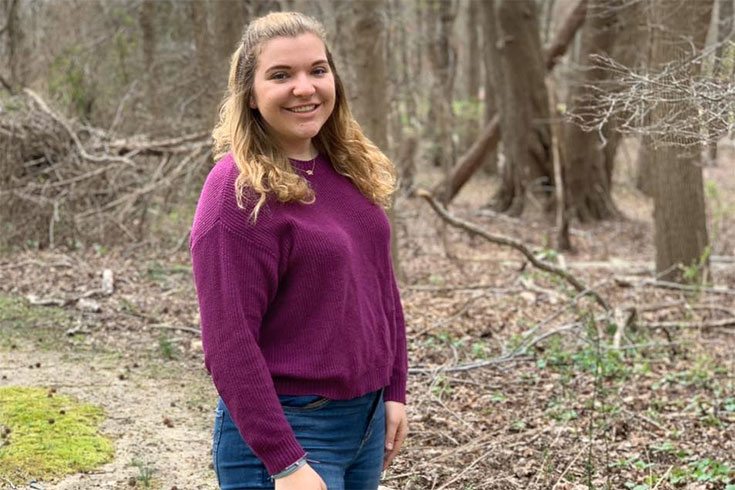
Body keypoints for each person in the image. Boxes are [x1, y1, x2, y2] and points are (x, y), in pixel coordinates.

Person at [189, 11, 408, 490]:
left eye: (317, 69)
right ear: (250, 94)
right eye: (281, 75)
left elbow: (380, 289)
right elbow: (229, 343)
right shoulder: (237, 192)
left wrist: (395, 390)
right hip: (288, 429)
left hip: (366, 423)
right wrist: (284, 461)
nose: (304, 88)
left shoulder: (349, 171)